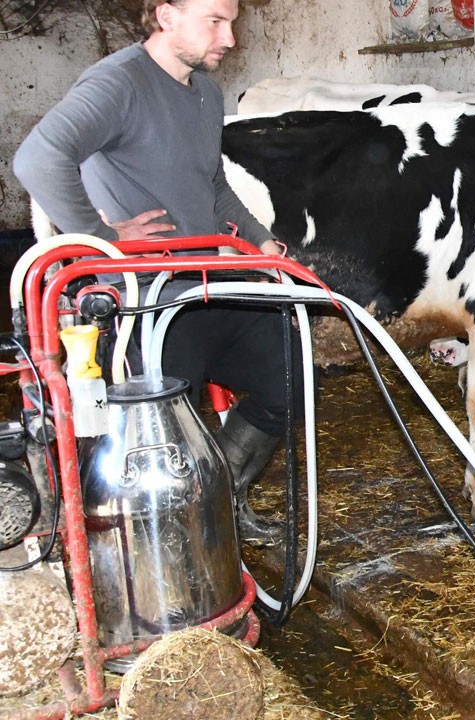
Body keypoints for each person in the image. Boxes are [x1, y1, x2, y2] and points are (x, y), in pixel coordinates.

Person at [12, 0, 297, 547]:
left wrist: (263, 242)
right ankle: (172, 541)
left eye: (230, 22)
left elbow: (212, 184)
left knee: (286, 378)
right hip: (146, 297)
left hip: (206, 279)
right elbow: (39, 157)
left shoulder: (206, 93)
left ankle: (222, 505)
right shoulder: (119, 82)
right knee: (170, 429)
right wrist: (106, 241)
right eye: (215, 22)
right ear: (166, 17)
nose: (230, 39)